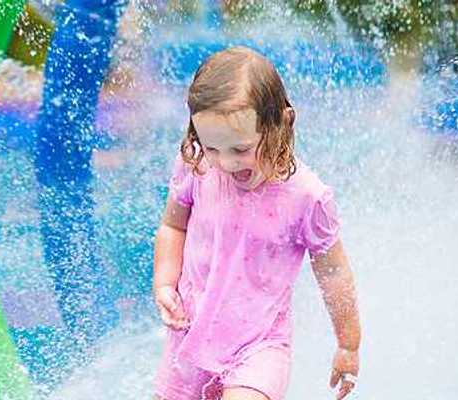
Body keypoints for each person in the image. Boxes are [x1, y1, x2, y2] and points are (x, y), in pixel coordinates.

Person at [152, 46, 362, 400]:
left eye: (240, 149)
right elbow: (174, 226)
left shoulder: (307, 197)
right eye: (213, 147)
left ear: (281, 123)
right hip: (191, 330)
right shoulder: (197, 164)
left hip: (260, 344)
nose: (226, 163)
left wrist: (348, 344)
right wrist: (164, 284)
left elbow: (334, 272)